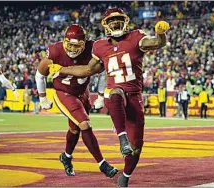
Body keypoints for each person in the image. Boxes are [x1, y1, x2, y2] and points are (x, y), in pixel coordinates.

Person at [47, 8, 169, 187]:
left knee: (136, 149)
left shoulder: (136, 37)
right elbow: (88, 70)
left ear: (125, 21)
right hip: (114, 95)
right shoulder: (100, 46)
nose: (115, 23)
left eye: (119, 20)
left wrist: (161, 35)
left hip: (135, 96)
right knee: (115, 93)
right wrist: (61, 69)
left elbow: (157, 43)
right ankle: (122, 138)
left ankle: (125, 177)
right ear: (105, 25)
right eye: (111, 21)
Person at [35, 24, 118, 178]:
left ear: (84, 43)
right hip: (63, 92)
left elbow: (104, 70)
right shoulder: (55, 51)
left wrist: (100, 94)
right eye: (70, 44)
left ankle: (66, 157)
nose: (72, 49)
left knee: (75, 129)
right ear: (64, 41)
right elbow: (40, 74)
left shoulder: (91, 49)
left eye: (77, 45)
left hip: (83, 92)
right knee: (84, 124)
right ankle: (102, 163)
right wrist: (42, 97)